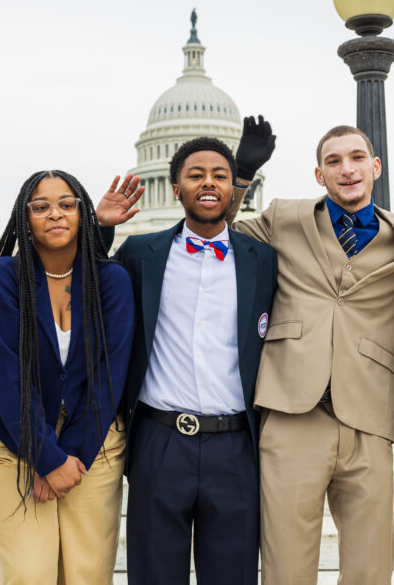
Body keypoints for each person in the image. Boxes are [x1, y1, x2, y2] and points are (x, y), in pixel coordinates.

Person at [228, 119, 394, 584]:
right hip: (290, 411)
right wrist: (242, 175)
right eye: (333, 161)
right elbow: (219, 233)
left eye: (357, 158)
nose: (347, 169)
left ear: (375, 167)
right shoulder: (284, 217)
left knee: (371, 564)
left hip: (367, 413)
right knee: (286, 562)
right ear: (319, 174)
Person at [105, 138, 277, 585]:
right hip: (159, 442)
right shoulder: (140, 255)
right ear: (175, 187)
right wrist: (100, 228)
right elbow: (90, 286)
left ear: (233, 189)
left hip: (236, 445)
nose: (208, 183)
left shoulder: (263, 260)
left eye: (220, 176)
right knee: (155, 574)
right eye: (195, 175)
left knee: (233, 575)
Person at [0, 169, 135, 585]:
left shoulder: (111, 281)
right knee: (30, 573)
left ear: (82, 214)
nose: (54, 214)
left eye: (66, 204)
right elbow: (5, 378)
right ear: (25, 219)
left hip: (94, 441)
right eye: (41, 207)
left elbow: (108, 377)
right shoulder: (1, 279)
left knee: (88, 574)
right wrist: (46, 457)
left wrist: (67, 458)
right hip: (11, 440)